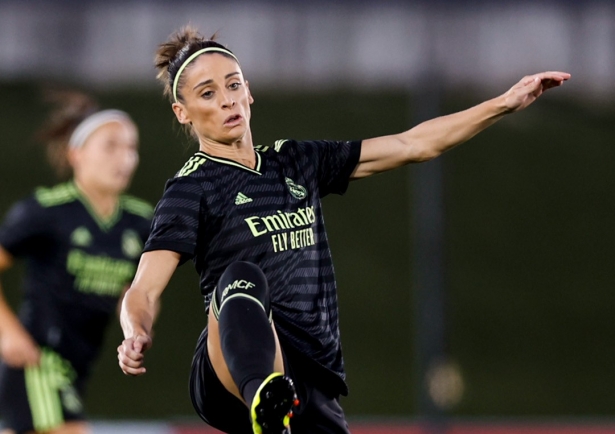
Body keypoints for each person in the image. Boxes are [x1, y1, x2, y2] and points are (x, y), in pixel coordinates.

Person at [117, 26, 570, 434]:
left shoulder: (295, 161)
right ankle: (264, 399)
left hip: (309, 377)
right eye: (208, 93)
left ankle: (276, 409)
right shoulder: (193, 186)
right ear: (183, 112)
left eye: (234, 85)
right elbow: (144, 288)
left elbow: (412, 144)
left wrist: (504, 103)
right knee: (241, 279)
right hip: (231, 374)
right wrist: (135, 331)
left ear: (249, 92)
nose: (228, 100)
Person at [0, 90, 153, 434]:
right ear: (76, 154)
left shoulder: (140, 223)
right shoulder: (45, 211)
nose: (125, 158)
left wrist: (138, 328)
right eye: (111, 146)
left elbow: (139, 292)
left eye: (131, 147)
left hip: (78, 365)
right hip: (38, 362)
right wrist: (8, 334)